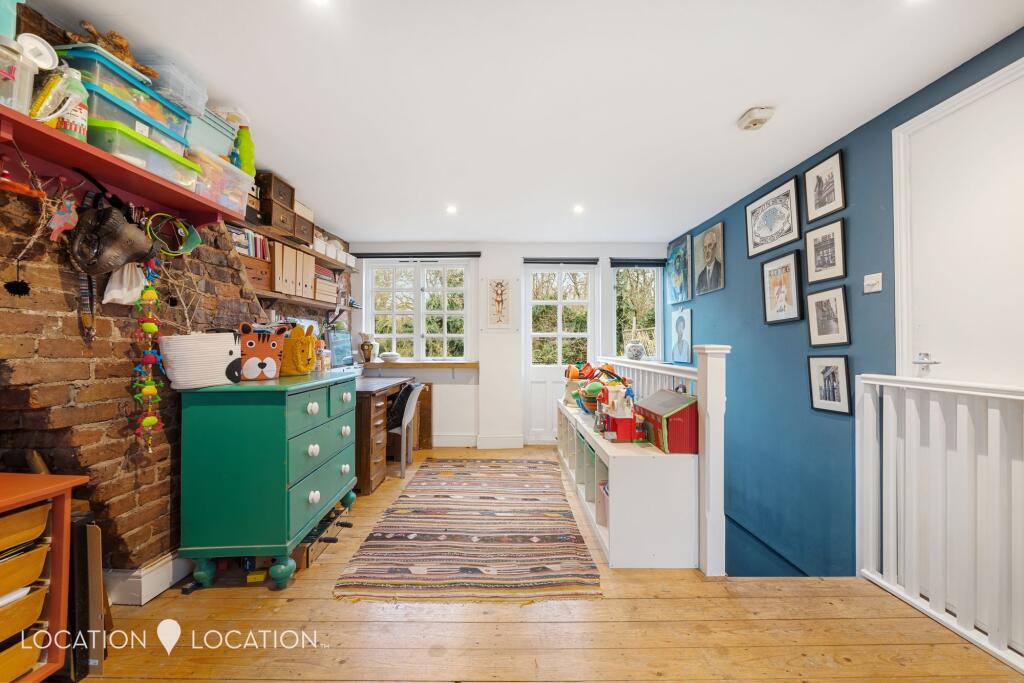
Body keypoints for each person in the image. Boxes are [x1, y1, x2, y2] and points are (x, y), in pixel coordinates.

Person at [697, 228, 723, 294]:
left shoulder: (721, 269)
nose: (707, 251)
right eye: (705, 247)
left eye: (710, 245)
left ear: (715, 246)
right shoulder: (700, 277)